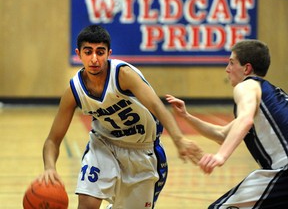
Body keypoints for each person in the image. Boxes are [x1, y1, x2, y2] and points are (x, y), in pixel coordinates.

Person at [39, 24, 203, 209]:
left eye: (100, 52)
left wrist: (179, 139)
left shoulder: (123, 75)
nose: (94, 58)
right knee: (87, 203)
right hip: (104, 145)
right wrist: (50, 168)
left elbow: (157, 106)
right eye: (88, 52)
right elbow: (52, 140)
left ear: (109, 53)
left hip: (143, 150)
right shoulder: (74, 90)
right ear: (79, 53)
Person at [166, 39, 288, 208]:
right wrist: (187, 116)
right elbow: (222, 135)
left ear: (247, 68)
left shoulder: (247, 86)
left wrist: (220, 156)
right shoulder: (268, 96)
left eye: (231, 63)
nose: (227, 69)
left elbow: (245, 120)